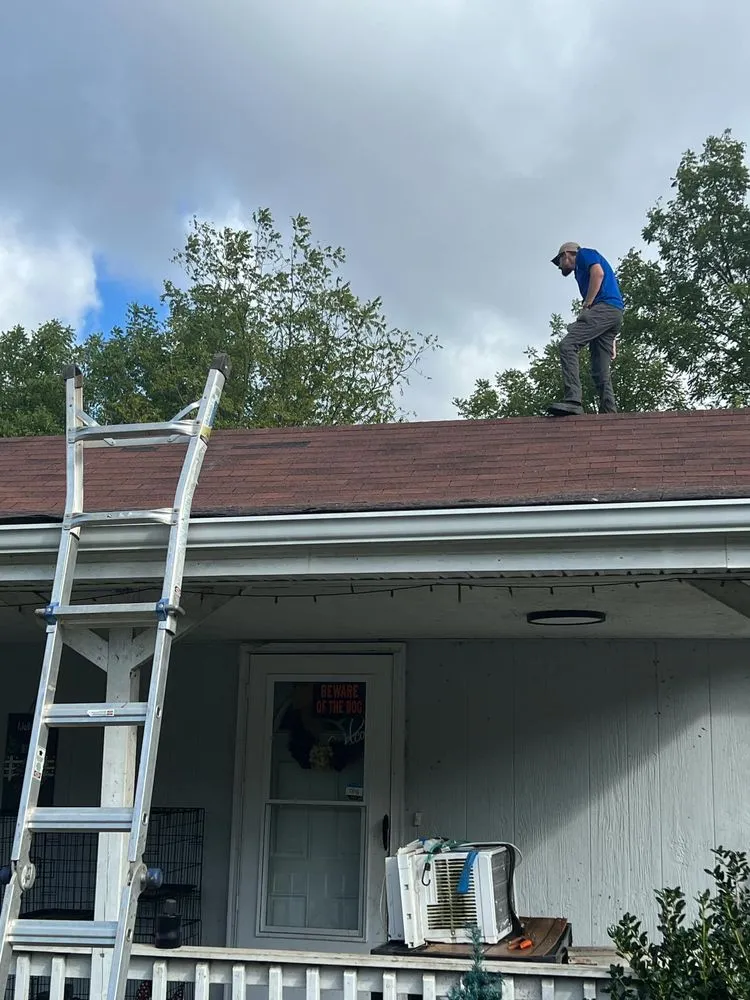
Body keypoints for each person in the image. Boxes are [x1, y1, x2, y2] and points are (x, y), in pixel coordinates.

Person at [548, 242, 624, 416]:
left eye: (558, 261)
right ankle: (610, 414)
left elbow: (598, 273)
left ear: (567, 254)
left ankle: (573, 400)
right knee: (600, 371)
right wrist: (611, 337)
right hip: (612, 314)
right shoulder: (579, 273)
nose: (559, 267)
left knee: (567, 345)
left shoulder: (584, 254)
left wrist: (586, 306)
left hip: (603, 309)